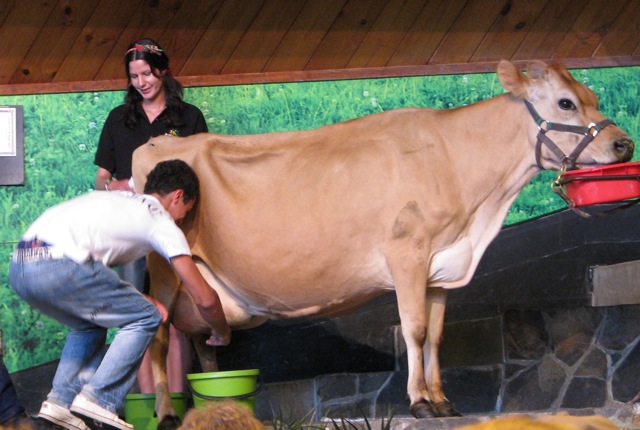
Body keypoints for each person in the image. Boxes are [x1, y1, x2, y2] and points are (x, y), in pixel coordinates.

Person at [9, 160, 230, 430]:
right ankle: (100, 400)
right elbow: (204, 298)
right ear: (178, 196)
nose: (183, 220)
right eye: (186, 212)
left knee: (89, 324)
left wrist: (139, 299)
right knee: (148, 316)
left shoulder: (119, 198)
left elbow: (96, 280)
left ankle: (59, 403)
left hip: (21, 266)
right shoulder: (159, 220)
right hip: (61, 264)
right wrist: (222, 330)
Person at [93, 38, 209, 394]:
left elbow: (204, 172)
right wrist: (116, 187)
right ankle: (149, 403)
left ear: (162, 72)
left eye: (147, 73)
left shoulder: (188, 117)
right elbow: (101, 178)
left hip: (175, 229)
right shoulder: (118, 119)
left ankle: (174, 402)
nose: (141, 82)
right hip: (131, 232)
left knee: (177, 318)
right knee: (138, 317)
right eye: (134, 76)